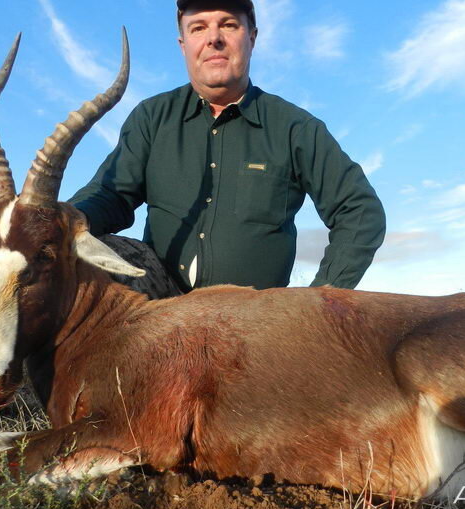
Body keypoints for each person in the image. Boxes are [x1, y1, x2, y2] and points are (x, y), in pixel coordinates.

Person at [69, 0, 386, 293]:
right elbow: (111, 195)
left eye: (229, 25)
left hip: (251, 324)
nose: (213, 39)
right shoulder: (152, 117)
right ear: (184, 45)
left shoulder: (295, 128)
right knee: (85, 246)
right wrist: (52, 220)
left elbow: (360, 211)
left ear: (252, 37)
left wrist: (318, 305)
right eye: (199, 27)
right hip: (161, 311)